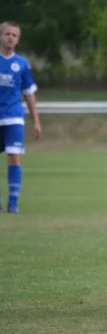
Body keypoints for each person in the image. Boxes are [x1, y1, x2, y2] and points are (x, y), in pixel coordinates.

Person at [0, 21, 42, 214]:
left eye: (14, 35)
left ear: (18, 39)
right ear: (1, 36)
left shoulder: (22, 64)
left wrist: (36, 121)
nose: (10, 37)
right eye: (7, 34)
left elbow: (29, 93)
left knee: (14, 157)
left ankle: (13, 202)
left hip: (14, 116)